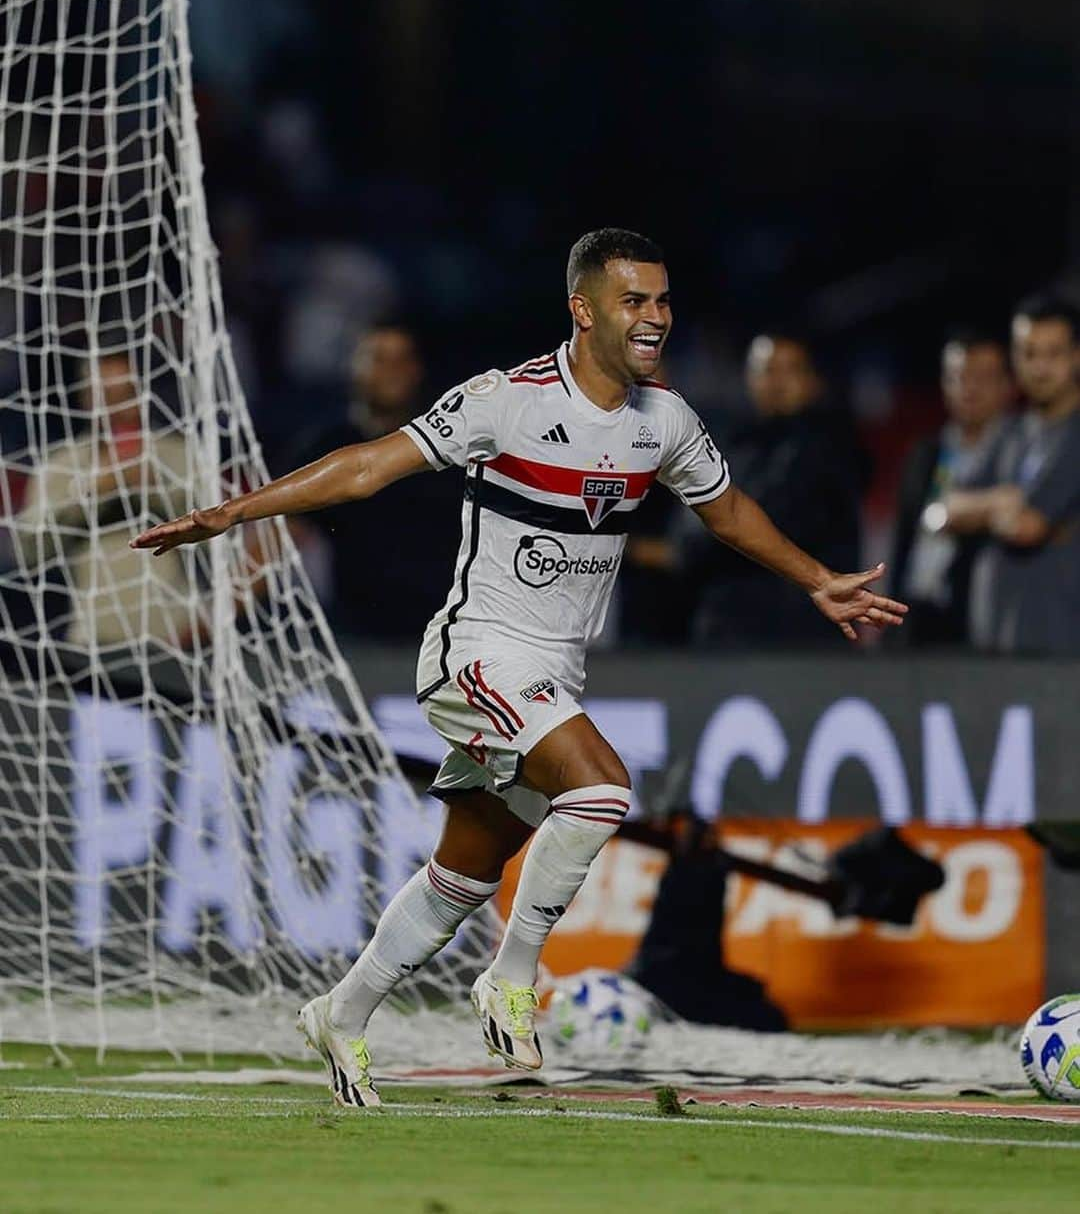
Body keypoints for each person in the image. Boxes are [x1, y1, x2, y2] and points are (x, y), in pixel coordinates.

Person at [131, 228, 906, 1109]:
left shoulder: (666, 421)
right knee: (602, 789)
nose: (654, 318)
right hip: (475, 655)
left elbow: (726, 512)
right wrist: (234, 512)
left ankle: (341, 1013)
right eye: (634, 301)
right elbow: (366, 469)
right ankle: (513, 976)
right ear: (583, 309)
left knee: (464, 873)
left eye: (661, 300)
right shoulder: (508, 400)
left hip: (551, 673)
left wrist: (818, 581)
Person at [671, 333, 865, 647]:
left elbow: (762, 521)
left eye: (791, 369)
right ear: (748, 378)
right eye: (767, 370)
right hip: (725, 633)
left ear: (814, 381)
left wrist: (713, 532)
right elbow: (687, 535)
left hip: (803, 639)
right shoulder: (729, 444)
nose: (777, 382)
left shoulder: (829, 448)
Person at [285, 318, 460, 640]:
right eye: (379, 358)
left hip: (447, 634)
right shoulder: (327, 445)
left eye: (402, 359)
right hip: (356, 636)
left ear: (417, 369)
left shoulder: (452, 446)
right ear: (354, 367)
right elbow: (280, 540)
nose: (392, 370)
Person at [17, 351, 193, 649]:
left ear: (143, 395)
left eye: (125, 395)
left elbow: (219, 529)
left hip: (178, 638)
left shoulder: (178, 454)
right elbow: (28, 550)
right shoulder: (61, 464)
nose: (117, 408)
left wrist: (155, 487)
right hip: (93, 642)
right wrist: (91, 492)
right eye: (105, 395)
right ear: (85, 399)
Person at [935, 294, 1080, 654]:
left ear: (1077, 355)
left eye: (1053, 353)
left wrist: (984, 513)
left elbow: (1026, 526)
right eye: (1028, 353)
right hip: (997, 647)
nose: (1040, 367)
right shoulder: (1010, 433)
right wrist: (1000, 503)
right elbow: (942, 511)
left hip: (1064, 651)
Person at [890, 334, 1012, 646]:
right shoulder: (925, 453)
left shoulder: (1016, 453)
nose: (969, 389)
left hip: (979, 622)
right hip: (917, 617)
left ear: (1007, 385)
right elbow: (903, 541)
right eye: (958, 377)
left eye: (982, 378)